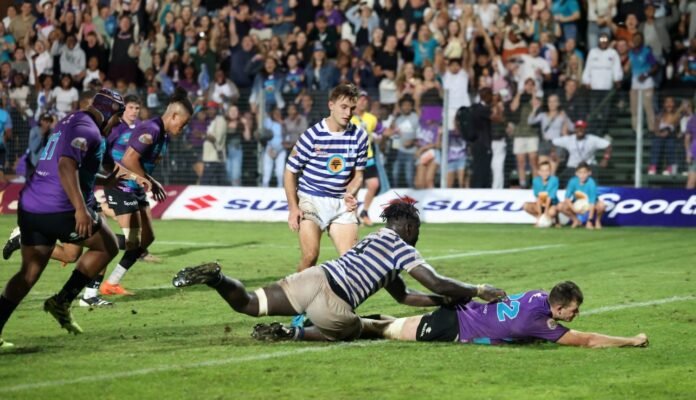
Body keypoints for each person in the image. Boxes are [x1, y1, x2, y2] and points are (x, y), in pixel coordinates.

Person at [172, 197, 506, 342]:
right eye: (416, 231)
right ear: (407, 226)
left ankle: (217, 278)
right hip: (335, 302)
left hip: (315, 277)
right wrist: (478, 290)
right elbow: (437, 282)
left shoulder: (374, 240)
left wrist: (439, 302)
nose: (416, 237)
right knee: (358, 328)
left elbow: (404, 297)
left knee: (248, 303)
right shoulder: (401, 247)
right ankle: (293, 334)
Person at [0, 89, 127, 349]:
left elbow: (74, 165)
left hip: (31, 206)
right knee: (108, 245)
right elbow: (66, 166)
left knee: (28, 274)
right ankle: (62, 301)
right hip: (59, 207)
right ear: (107, 112)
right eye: (118, 117)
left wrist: (106, 181)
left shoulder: (71, 121)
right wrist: (80, 209)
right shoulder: (88, 130)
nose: (118, 123)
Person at [357, 281, 648, 348]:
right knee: (385, 331)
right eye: (573, 310)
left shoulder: (537, 295)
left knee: (393, 324)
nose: (576, 315)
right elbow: (587, 340)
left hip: (461, 311)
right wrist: (631, 340)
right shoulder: (540, 323)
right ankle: (334, 324)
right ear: (558, 308)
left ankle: (347, 317)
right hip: (454, 326)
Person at [101, 89, 193, 296]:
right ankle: (92, 239)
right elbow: (128, 159)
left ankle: (112, 283)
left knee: (147, 238)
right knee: (131, 240)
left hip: (137, 187)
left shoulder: (163, 135)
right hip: (122, 185)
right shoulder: (151, 129)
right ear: (174, 116)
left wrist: (152, 181)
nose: (184, 127)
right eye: (184, 122)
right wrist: (149, 181)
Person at [284, 84, 368, 272]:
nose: (348, 113)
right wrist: (293, 208)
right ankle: (292, 290)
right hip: (311, 199)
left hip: (340, 203)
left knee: (353, 263)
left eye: (352, 108)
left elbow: (358, 175)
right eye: (343, 107)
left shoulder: (360, 136)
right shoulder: (312, 135)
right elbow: (290, 172)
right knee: (310, 256)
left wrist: (350, 192)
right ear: (331, 105)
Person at [351, 91, 382, 227]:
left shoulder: (371, 118)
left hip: (368, 156)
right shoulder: (349, 117)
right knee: (355, 187)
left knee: (374, 184)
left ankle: (364, 212)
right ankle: (354, 216)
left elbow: (379, 131)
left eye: (365, 100)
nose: (363, 102)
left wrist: (379, 136)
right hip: (353, 158)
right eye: (360, 99)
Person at [559, 162, 606, 229]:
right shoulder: (572, 181)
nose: (582, 175)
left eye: (584, 172)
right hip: (577, 204)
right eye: (580, 172)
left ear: (589, 173)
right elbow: (567, 198)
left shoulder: (591, 183)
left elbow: (592, 203)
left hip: (590, 205)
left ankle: (597, 221)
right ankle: (576, 220)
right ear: (576, 173)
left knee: (602, 206)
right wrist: (574, 209)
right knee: (560, 206)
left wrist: (589, 221)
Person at [523, 161, 560, 227]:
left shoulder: (554, 180)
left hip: (552, 204)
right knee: (525, 206)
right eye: (542, 171)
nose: (544, 173)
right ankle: (541, 219)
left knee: (552, 212)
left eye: (547, 170)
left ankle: (555, 219)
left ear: (550, 171)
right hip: (541, 204)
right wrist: (540, 214)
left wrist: (546, 212)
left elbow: (549, 197)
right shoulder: (536, 181)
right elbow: (538, 197)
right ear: (539, 172)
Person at [686, 113, 696, 189]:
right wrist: (688, 153)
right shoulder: (692, 120)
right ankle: (688, 196)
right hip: (694, 155)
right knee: (691, 182)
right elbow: (687, 139)